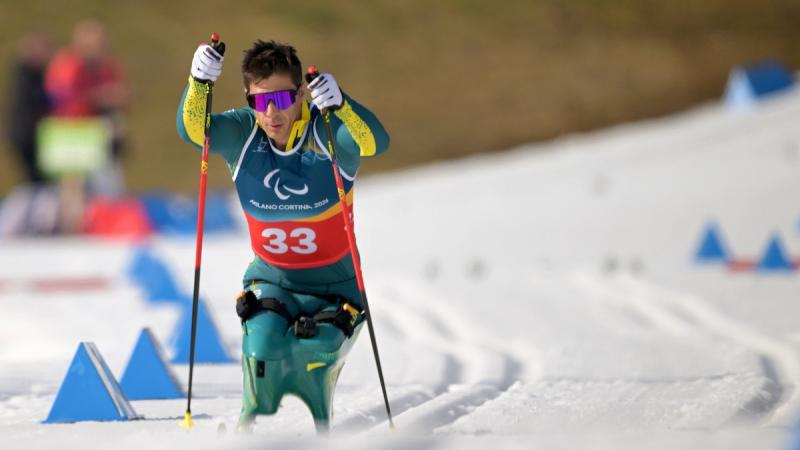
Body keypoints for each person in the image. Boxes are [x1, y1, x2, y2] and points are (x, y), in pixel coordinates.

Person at [176, 39, 389, 432]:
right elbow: (195, 132)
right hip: (273, 279)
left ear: (302, 93)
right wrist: (198, 82)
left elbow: (374, 142)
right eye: (259, 101)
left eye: (281, 98)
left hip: (336, 288)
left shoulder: (326, 132)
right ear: (248, 99)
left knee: (316, 348)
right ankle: (247, 423)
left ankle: (321, 427)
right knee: (261, 341)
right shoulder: (244, 134)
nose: (271, 112)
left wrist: (343, 104)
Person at [45, 19, 129, 198]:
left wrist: (116, 98)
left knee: (108, 187)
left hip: (98, 132)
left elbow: (121, 93)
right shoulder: (67, 63)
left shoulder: (106, 65)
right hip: (70, 131)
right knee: (72, 190)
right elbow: (60, 96)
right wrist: (98, 96)